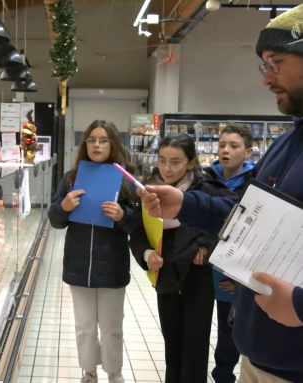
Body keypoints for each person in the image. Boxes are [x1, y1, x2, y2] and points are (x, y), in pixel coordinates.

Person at [137, 6, 303, 382]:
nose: (267, 80)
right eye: (265, 66)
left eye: (276, 62)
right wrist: (186, 203)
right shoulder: (287, 142)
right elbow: (246, 212)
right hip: (259, 355)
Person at [129, 134, 234, 383]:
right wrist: (146, 254)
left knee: (195, 348)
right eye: (163, 160)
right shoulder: (147, 190)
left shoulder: (207, 189)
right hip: (166, 276)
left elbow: (228, 223)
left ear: (191, 163)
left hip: (198, 277)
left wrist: (206, 247)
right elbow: (137, 231)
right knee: (172, 346)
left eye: (176, 162)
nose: (167, 168)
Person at [48, 120, 135, 383]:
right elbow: (55, 220)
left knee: (111, 328)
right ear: (85, 144)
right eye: (91, 140)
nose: (97, 145)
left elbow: (140, 224)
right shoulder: (72, 177)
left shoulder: (125, 177)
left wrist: (122, 215)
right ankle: (88, 372)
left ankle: (114, 372)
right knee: (84, 328)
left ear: (113, 144)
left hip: (112, 264)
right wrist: (63, 205)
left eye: (103, 140)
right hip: (78, 264)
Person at [205, 124, 255, 383]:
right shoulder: (205, 178)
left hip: (236, 270)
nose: (225, 150)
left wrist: (243, 278)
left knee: (231, 329)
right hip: (204, 264)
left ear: (248, 152)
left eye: (233, 146)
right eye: (222, 145)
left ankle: (225, 376)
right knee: (208, 328)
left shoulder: (256, 183)